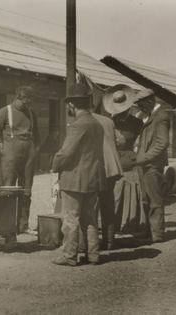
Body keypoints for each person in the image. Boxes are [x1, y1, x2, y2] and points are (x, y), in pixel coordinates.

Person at [51, 83, 106, 266]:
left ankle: (69, 256)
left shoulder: (77, 125)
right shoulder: (96, 123)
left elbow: (66, 153)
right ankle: (94, 255)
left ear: (72, 105)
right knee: (89, 219)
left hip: (75, 179)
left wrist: (55, 165)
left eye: (69, 106)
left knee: (70, 219)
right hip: (93, 179)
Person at [0, 86, 41, 236]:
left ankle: (23, 225)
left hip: (28, 151)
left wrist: (35, 149)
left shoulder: (31, 113)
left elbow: (37, 134)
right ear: (17, 98)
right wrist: (1, 148)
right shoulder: (4, 111)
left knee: (26, 190)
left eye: (29, 103)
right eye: (25, 103)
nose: (27, 106)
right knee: (7, 189)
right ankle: (5, 225)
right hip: (11, 150)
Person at [132, 89, 173, 244]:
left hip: (152, 165)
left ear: (150, 101)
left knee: (154, 200)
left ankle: (158, 234)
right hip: (145, 164)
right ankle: (148, 231)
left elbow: (163, 143)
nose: (140, 108)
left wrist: (146, 157)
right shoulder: (150, 115)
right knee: (145, 199)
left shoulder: (161, 116)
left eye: (142, 105)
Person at [104, 85, 146, 235]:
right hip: (111, 161)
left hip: (128, 161)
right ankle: (110, 224)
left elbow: (140, 144)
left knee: (128, 191)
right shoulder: (108, 122)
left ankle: (127, 222)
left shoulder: (137, 124)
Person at [89, 104, 124, 250]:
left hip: (95, 169)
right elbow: (121, 141)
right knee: (108, 205)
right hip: (111, 168)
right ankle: (109, 242)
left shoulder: (84, 121)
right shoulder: (108, 120)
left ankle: (90, 245)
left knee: (90, 207)